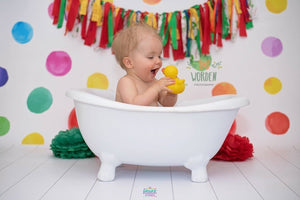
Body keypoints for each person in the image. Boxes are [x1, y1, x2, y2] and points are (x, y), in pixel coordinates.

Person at [111, 22, 177, 106]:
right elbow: (133, 104)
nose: (158, 61)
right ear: (129, 63)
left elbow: (167, 104)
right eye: (150, 57)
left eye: (159, 56)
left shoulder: (154, 82)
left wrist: (172, 92)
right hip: (129, 119)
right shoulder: (126, 82)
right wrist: (156, 88)